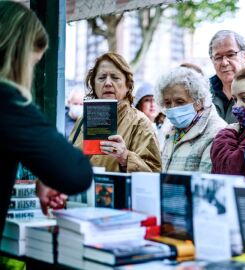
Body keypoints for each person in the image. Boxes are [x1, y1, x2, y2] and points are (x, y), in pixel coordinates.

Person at [0, 1, 92, 235]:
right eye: (31, 65)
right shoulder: (7, 101)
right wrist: (49, 173)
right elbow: (76, 173)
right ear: (16, 58)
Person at [70, 52, 161, 172]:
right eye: (102, 78)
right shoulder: (83, 120)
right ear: (93, 84)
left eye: (115, 77)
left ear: (128, 85)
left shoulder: (140, 123)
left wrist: (125, 157)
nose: (108, 83)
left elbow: (154, 175)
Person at [156, 67, 226, 172]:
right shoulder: (171, 131)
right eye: (167, 103)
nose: (173, 108)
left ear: (199, 101)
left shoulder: (217, 133)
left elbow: (204, 182)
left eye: (180, 101)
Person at [208, 30, 245, 123]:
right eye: (218, 57)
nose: (224, 62)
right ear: (212, 60)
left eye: (231, 55)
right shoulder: (205, 93)